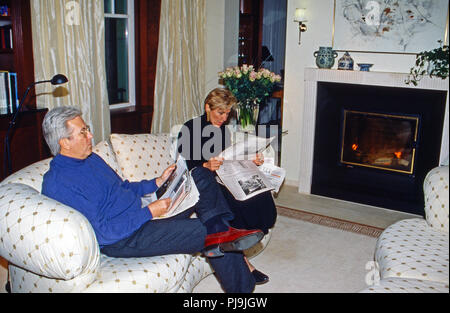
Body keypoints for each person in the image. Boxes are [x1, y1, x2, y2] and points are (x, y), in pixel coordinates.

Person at [41, 106, 265, 293]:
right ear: (64, 142)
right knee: (207, 232)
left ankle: (221, 229)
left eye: (87, 129)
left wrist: (156, 183)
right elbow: (103, 232)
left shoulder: (91, 159)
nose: (90, 136)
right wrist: (150, 212)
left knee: (200, 175)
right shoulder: (60, 183)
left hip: (143, 212)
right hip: (125, 238)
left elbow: (124, 187)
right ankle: (241, 287)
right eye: (83, 132)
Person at [177, 88, 277, 285]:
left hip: (223, 175)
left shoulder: (223, 130)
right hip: (203, 180)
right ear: (208, 107)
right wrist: (205, 165)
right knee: (236, 202)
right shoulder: (190, 128)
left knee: (258, 194)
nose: (224, 118)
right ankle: (244, 261)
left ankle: (254, 233)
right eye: (220, 113)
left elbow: (228, 157)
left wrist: (250, 159)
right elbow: (187, 165)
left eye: (227, 113)